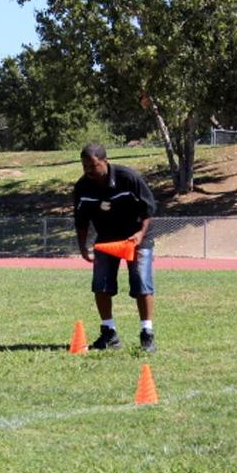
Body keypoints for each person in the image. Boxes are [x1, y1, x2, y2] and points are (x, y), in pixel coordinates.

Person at [73, 143, 157, 352]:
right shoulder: (82, 187)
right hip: (106, 239)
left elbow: (148, 209)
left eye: (92, 165)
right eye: (84, 166)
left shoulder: (128, 178)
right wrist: (83, 246)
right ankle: (109, 334)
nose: (88, 170)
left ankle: (147, 333)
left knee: (141, 282)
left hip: (136, 237)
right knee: (100, 284)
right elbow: (81, 220)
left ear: (105, 161)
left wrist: (140, 234)